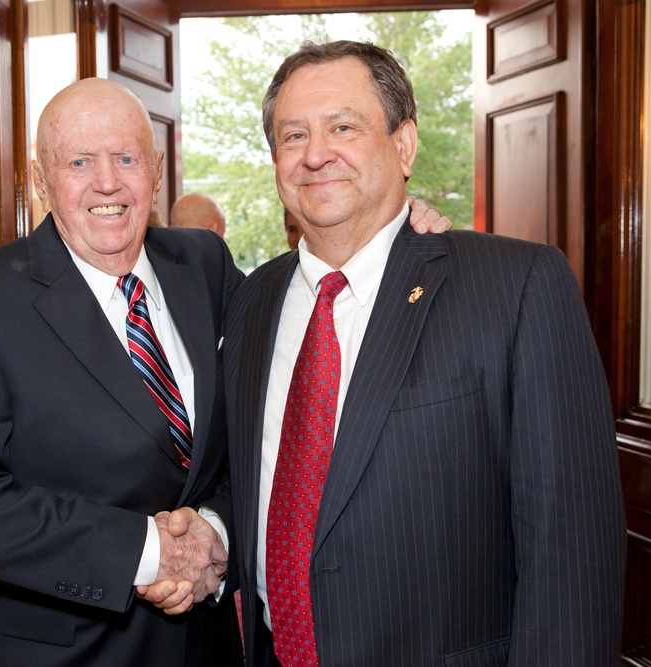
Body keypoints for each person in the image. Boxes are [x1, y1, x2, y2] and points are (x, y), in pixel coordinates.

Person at [219, 41, 626, 666]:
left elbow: (572, 553)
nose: (316, 154)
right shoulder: (253, 302)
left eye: (343, 127)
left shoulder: (515, 286)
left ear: (403, 144)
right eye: (293, 134)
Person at [0, 77, 244, 666]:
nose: (107, 182)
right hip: (64, 651)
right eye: (80, 161)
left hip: (206, 644)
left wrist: (215, 527)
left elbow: (260, 413)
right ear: (40, 180)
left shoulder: (203, 264)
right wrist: (146, 550)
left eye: (126, 158)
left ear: (155, 170)